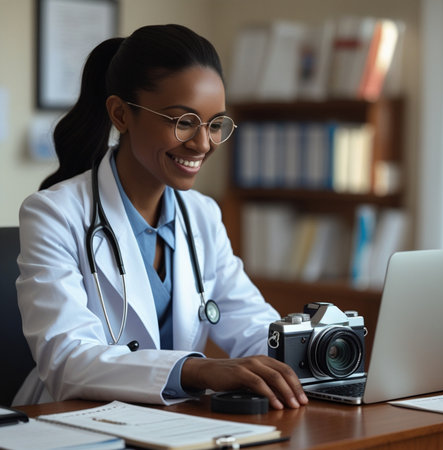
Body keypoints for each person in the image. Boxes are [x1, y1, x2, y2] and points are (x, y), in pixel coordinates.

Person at [14, 24, 308, 410]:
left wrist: (309, 348)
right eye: (183, 121)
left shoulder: (201, 215)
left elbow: (252, 325)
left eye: (215, 124)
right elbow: (67, 360)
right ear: (121, 114)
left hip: (176, 423)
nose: (202, 143)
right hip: (74, 422)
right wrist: (199, 372)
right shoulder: (54, 215)